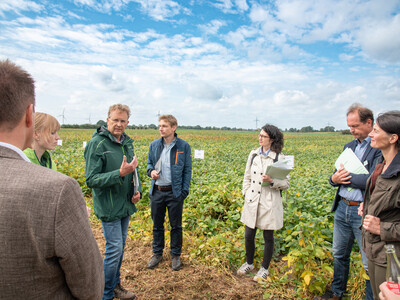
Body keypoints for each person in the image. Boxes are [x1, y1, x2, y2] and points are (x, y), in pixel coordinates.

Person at [0, 60, 104, 298]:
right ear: (29, 115)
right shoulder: (58, 190)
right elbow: (89, 283)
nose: (57, 138)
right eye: (53, 132)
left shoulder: (49, 165)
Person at [316, 104, 381, 300]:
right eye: (349, 126)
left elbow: (373, 180)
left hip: (363, 211)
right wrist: (334, 179)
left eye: (355, 126)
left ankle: (370, 297)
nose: (351, 130)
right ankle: (337, 293)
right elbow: (335, 176)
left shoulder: (378, 147)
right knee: (339, 254)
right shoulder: (349, 147)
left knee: (368, 260)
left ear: (369, 123)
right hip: (343, 206)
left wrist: (345, 177)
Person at [84, 104, 141, 300]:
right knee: (114, 248)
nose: (118, 124)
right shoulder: (98, 144)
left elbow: (134, 169)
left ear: (127, 122)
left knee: (120, 247)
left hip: (124, 204)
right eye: (115, 120)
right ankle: (105, 293)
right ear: (107, 120)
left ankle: (115, 285)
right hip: (108, 205)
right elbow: (91, 179)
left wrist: (137, 189)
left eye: (122, 121)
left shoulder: (127, 143)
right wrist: (119, 173)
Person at [237, 124, 290, 281]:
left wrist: (272, 180)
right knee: (248, 235)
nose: (260, 138)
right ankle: (249, 263)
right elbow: (246, 176)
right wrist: (246, 193)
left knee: (268, 236)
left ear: (272, 139)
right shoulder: (253, 155)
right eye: (259, 135)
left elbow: (286, 183)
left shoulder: (279, 158)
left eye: (263, 136)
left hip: (269, 201)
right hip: (252, 200)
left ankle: (264, 268)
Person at [359, 111, 400, 299]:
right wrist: (366, 208)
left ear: (393, 138)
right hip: (374, 249)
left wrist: (382, 228)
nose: (370, 135)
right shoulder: (381, 167)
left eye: (375, 131)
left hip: (392, 256)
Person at [146, 114, 192, 271]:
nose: (160, 128)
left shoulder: (183, 146)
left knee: (176, 226)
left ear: (173, 128)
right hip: (157, 191)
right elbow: (149, 164)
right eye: (159, 126)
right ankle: (157, 254)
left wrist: (183, 192)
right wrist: (151, 172)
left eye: (164, 126)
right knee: (157, 225)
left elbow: (187, 170)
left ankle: (175, 255)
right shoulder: (154, 145)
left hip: (175, 193)